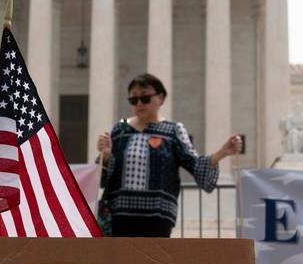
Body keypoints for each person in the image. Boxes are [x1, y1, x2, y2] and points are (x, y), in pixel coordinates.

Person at [96, 73, 243, 237]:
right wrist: (106, 155)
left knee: (153, 262)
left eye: (145, 98)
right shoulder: (119, 130)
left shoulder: (173, 131)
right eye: (133, 100)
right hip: (119, 216)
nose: (139, 104)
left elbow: (194, 164)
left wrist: (222, 153)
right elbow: (102, 178)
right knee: (120, 262)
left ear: (161, 98)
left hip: (158, 218)